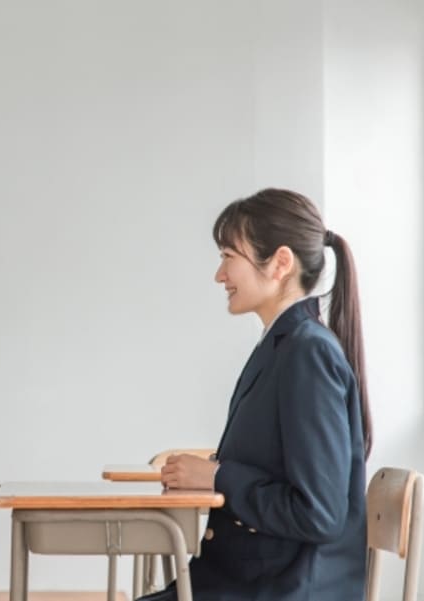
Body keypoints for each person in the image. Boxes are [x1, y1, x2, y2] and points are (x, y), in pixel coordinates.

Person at [142, 188, 372, 601]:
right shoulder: (284, 346)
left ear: (280, 262)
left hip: (281, 589)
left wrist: (216, 475)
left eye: (229, 257)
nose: (219, 275)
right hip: (248, 582)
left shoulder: (307, 352)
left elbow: (318, 513)